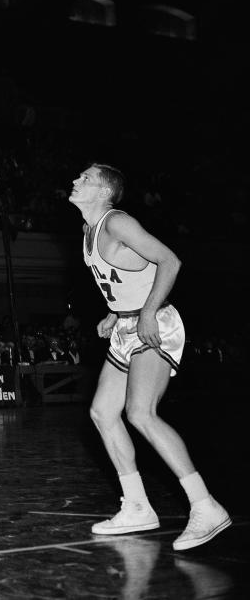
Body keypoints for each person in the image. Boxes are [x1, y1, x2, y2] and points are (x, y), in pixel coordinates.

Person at [70, 163, 230, 551]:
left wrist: (144, 311)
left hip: (155, 322)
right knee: (102, 413)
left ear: (105, 191)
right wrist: (115, 311)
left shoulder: (117, 222)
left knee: (140, 412)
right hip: (127, 326)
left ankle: (205, 506)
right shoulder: (88, 231)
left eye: (86, 178)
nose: (76, 180)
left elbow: (170, 261)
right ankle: (138, 505)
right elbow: (125, 276)